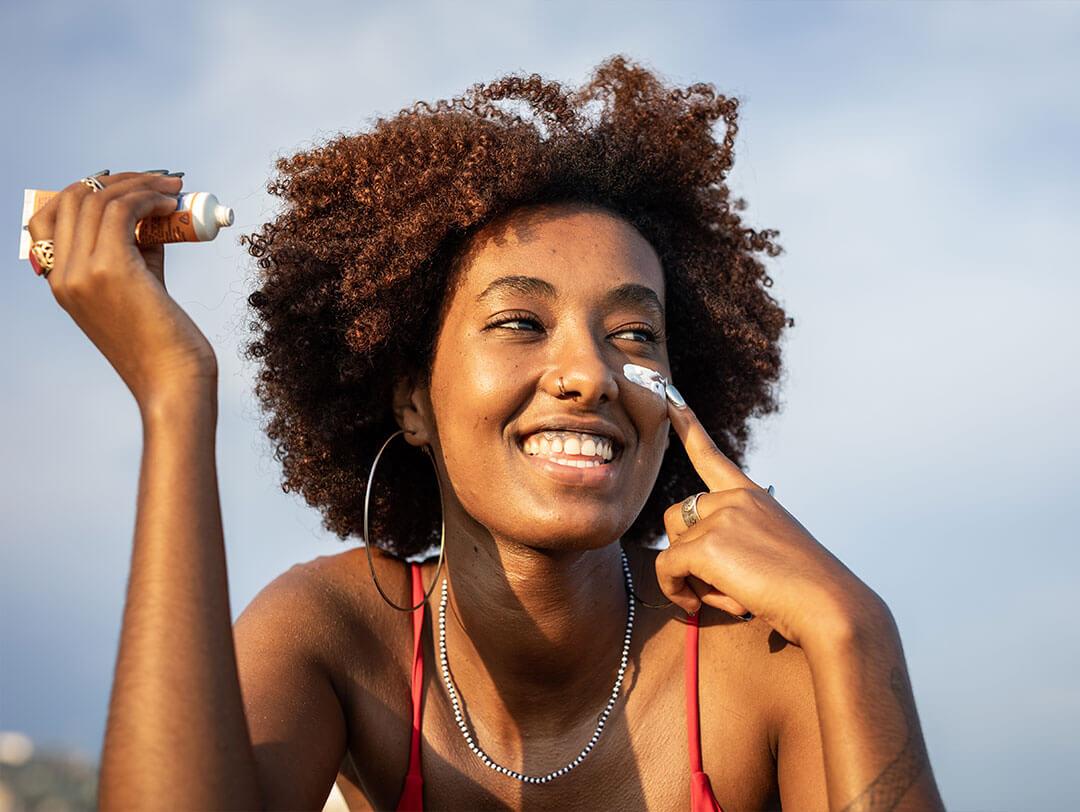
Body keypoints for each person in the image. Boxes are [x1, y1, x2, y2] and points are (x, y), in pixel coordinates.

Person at [27, 56, 945, 811]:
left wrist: (857, 626)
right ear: (412, 401)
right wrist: (176, 397)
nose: (588, 374)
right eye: (519, 323)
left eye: (634, 335)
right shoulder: (342, 637)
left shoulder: (766, 652)